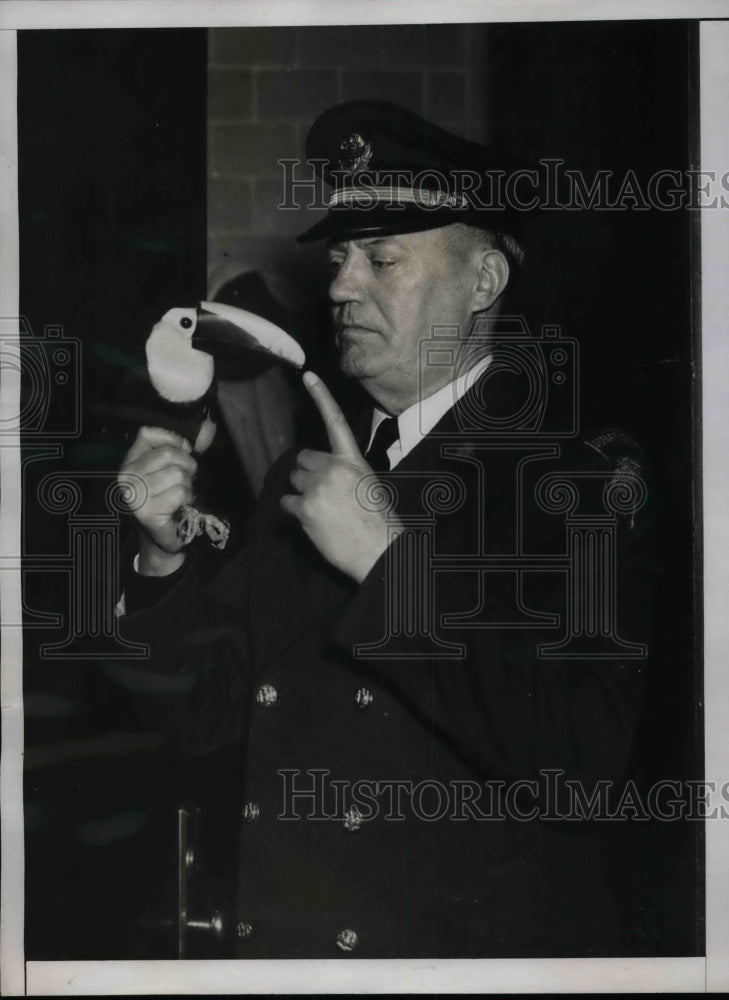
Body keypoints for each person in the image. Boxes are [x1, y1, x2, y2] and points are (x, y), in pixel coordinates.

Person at [114, 100, 652, 958]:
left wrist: (388, 563)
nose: (338, 286)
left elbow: (579, 765)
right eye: (338, 257)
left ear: (482, 283)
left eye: (381, 258)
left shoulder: (578, 472)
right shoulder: (313, 466)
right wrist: (160, 552)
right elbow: (204, 724)